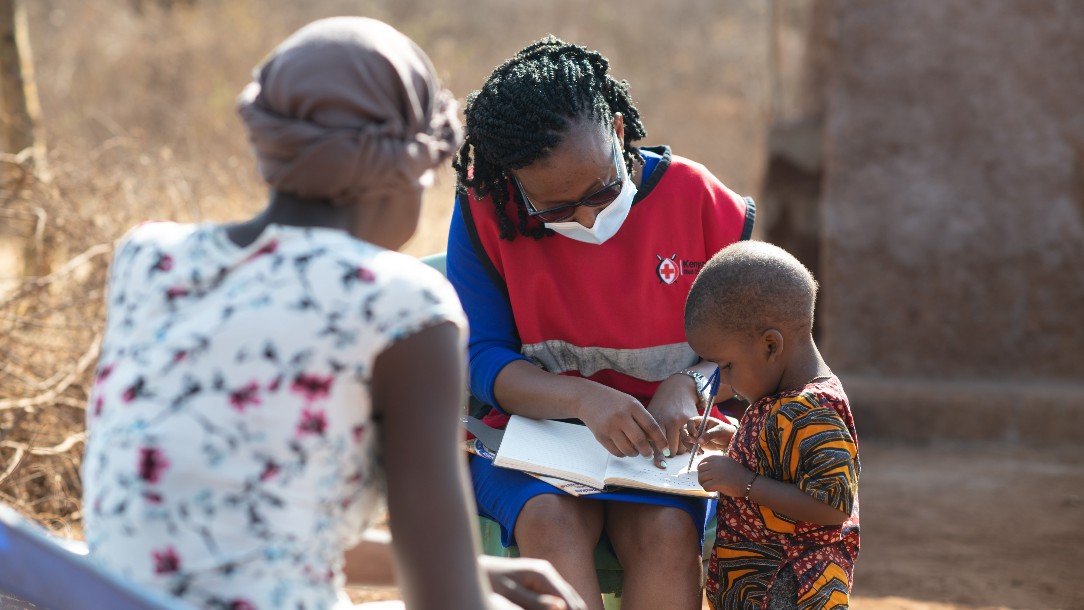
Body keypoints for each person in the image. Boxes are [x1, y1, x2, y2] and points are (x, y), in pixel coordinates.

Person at [80, 17, 584, 610]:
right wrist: (473, 584)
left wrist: (480, 570)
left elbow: (241, 524)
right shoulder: (402, 303)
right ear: (413, 163)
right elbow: (443, 593)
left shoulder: (149, 257)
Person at [447, 36, 756, 610]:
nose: (588, 218)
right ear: (514, 184)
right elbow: (480, 357)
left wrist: (688, 384)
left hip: (664, 448)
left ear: (617, 131)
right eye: (556, 210)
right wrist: (581, 399)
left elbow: (757, 350)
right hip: (532, 441)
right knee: (549, 522)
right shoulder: (486, 212)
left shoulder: (701, 203)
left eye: (602, 191)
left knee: (667, 533)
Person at [682, 241, 860, 610]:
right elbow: (786, 462)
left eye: (726, 366)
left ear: (770, 345)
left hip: (790, 588)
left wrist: (742, 482)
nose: (722, 380)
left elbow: (832, 507)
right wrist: (732, 439)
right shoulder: (783, 396)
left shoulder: (813, 410)